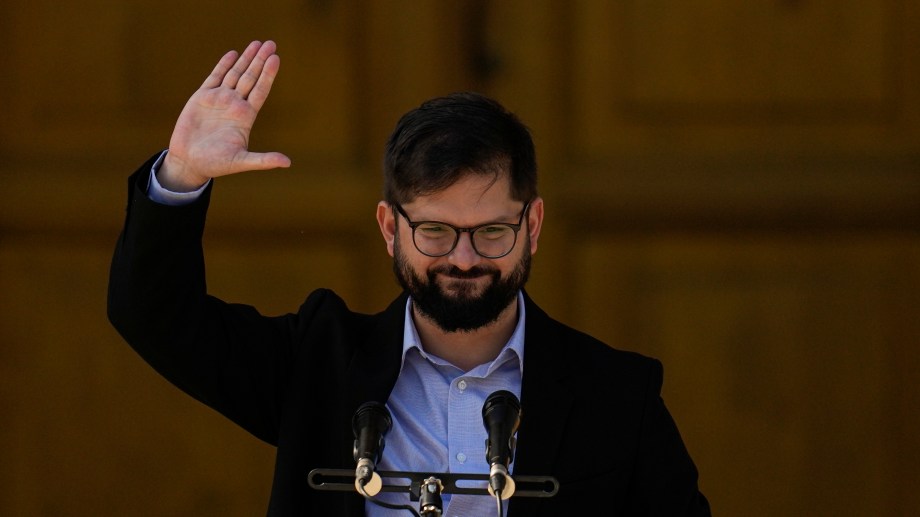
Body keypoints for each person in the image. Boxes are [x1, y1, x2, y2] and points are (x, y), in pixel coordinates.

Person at [108, 40, 711, 516]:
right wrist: (182, 176)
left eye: (492, 231)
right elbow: (154, 316)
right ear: (389, 228)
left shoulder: (618, 395)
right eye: (436, 231)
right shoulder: (318, 363)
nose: (465, 259)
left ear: (533, 225)